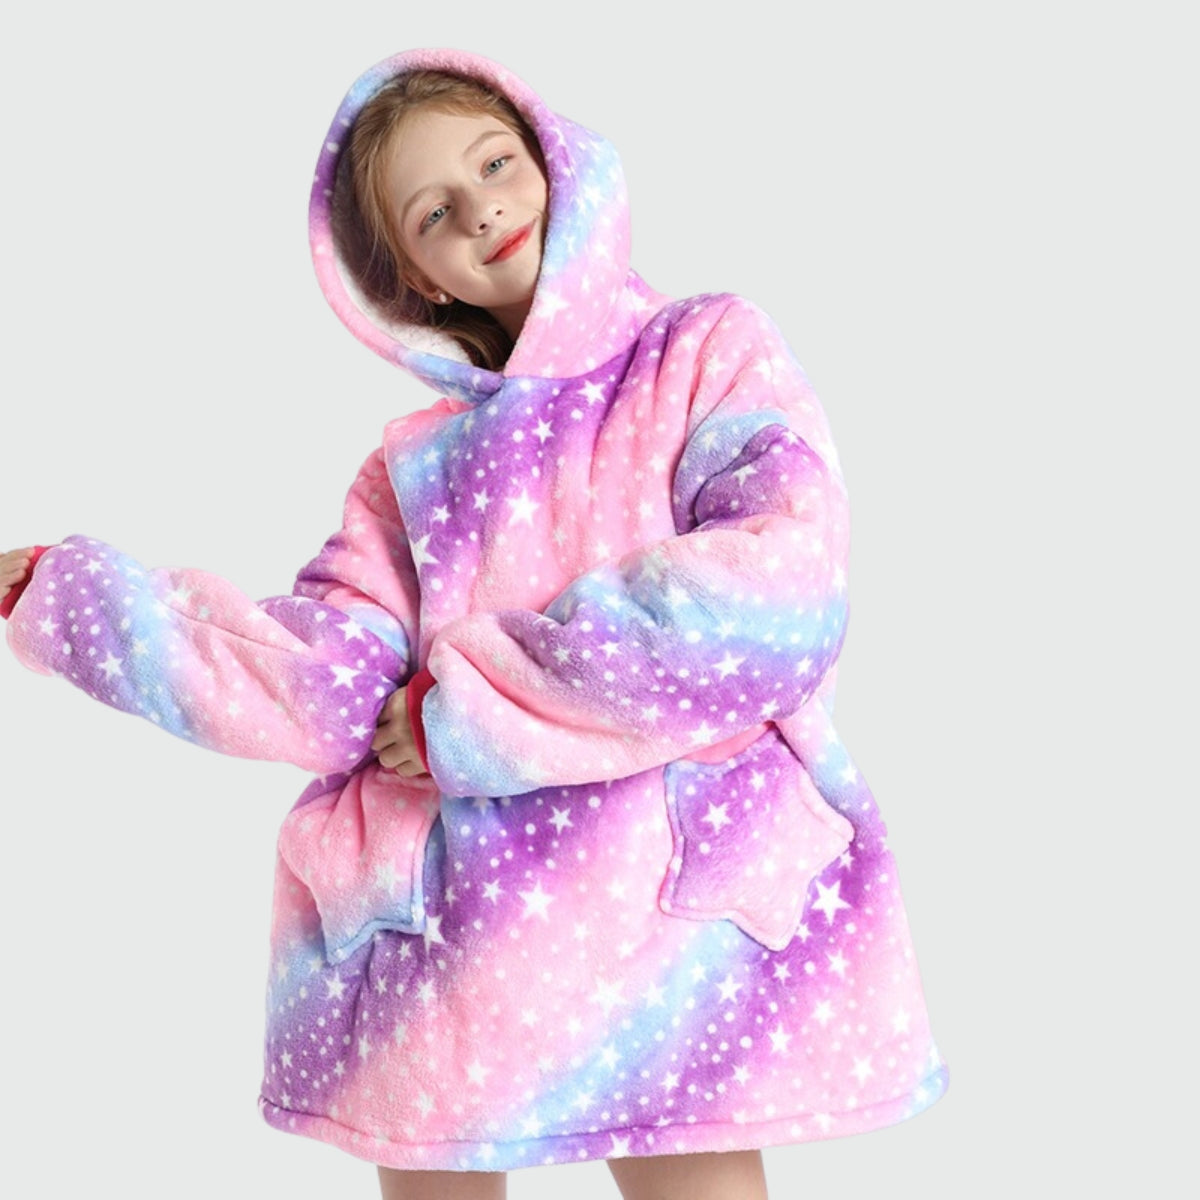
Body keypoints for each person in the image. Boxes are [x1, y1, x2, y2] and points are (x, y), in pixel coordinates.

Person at [0, 48, 946, 1200]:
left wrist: (477, 704)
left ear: (554, 162)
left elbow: (776, 594)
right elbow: (326, 683)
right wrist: (75, 596)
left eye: (496, 165)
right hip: (464, 933)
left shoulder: (704, 352)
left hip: (676, 916)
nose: (483, 209)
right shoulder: (411, 473)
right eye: (435, 213)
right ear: (416, 279)